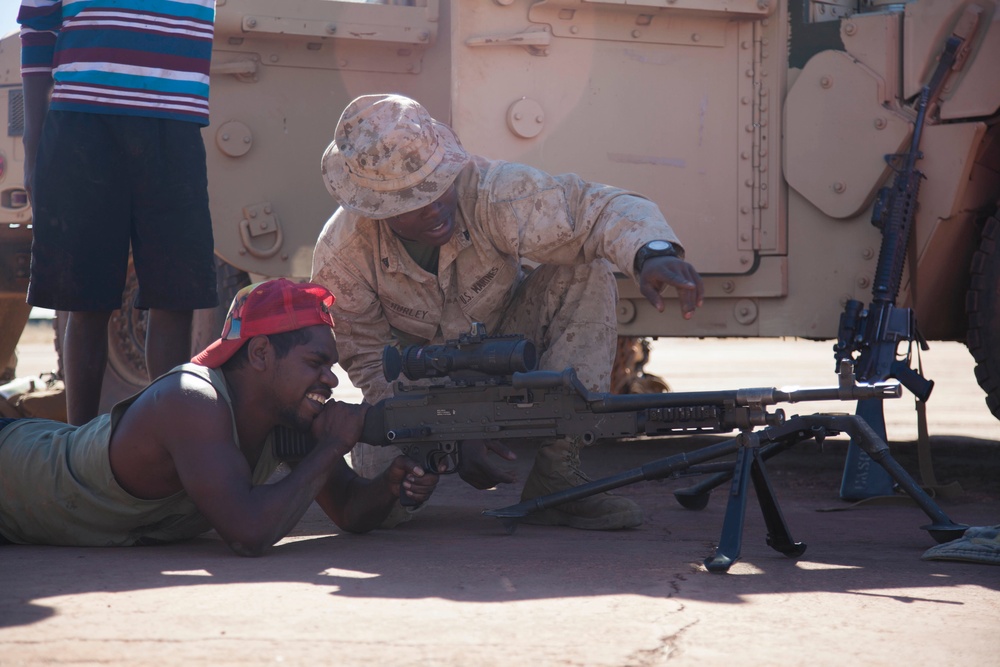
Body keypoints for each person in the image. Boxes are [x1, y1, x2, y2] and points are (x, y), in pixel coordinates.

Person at [311, 93, 704, 531]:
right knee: (381, 512)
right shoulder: (342, 253)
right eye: (411, 199)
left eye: (439, 182)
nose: (436, 204)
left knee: (586, 271)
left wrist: (651, 252)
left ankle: (558, 477)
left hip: (510, 351)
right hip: (412, 389)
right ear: (374, 208)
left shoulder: (491, 190)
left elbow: (595, 209)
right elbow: (368, 363)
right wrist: (451, 432)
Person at [0, 279, 439, 556]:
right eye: (316, 363)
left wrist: (390, 487)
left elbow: (348, 510)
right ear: (262, 353)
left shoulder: (286, 415)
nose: (330, 378)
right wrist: (332, 446)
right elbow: (248, 533)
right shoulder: (191, 398)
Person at [18, 0, 221, 425]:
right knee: (85, 300)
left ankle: (164, 446)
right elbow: (38, 27)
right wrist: (33, 142)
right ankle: (77, 449)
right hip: (81, 124)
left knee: (175, 297)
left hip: (176, 123)